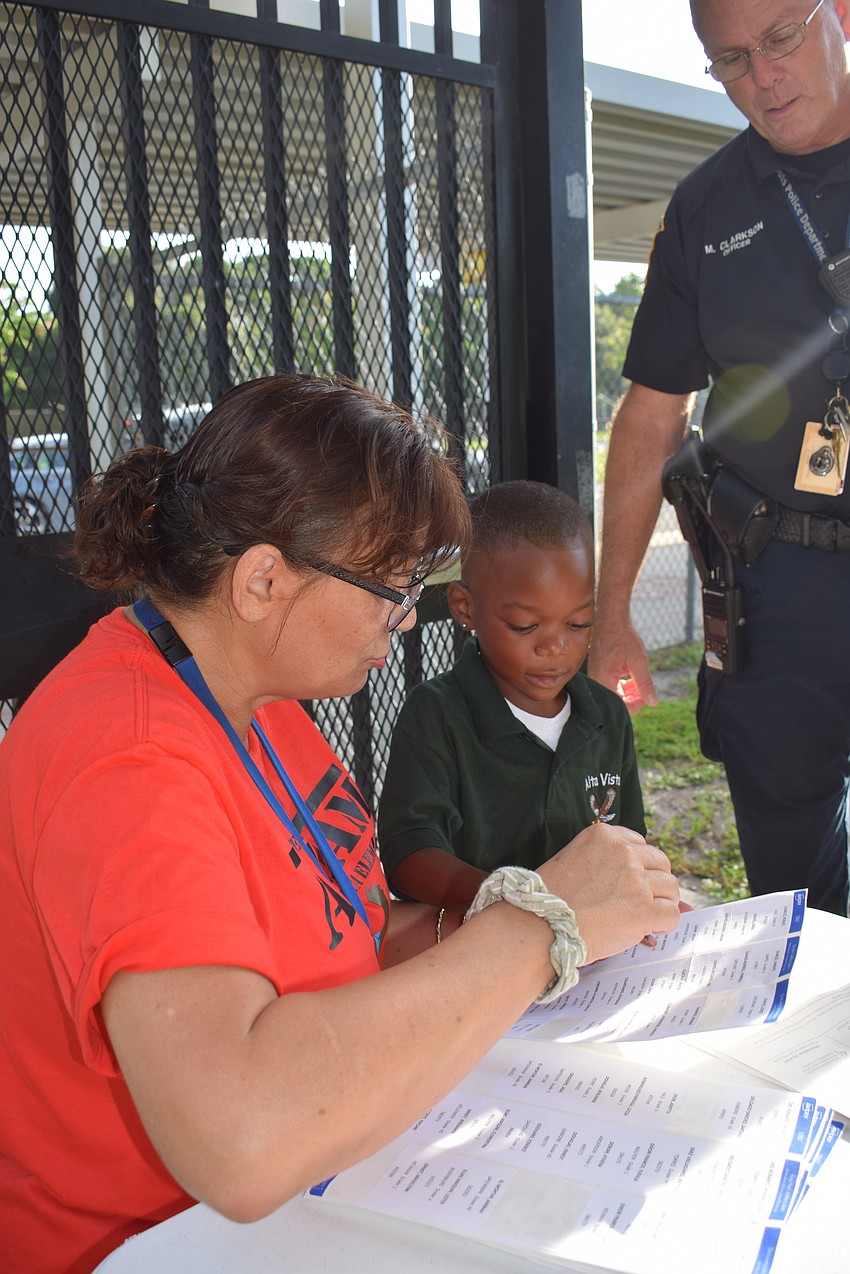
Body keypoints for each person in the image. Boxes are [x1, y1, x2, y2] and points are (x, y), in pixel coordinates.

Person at [0, 374, 682, 1274]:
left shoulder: (254, 699)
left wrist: (518, 925)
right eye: (390, 585)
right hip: (146, 1242)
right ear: (262, 580)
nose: (406, 617)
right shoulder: (129, 760)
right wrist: (541, 925)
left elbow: (343, 927)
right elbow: (241, 1141)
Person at [589, 0, 850, 917]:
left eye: (781, 39)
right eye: (730, 60)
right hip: (779, 587)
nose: (762, 78)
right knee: (794, 886)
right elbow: (652, 416)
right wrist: (611, 611)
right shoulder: (707, 205)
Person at [379, 480, 646, 914]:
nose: (555, 647)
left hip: (594, 956)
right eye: (525, 626)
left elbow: (629, 843)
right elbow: (408, 856)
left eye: (579, 623)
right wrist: (521, 907)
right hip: (484, 958)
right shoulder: (438, 714)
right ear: (465, 608)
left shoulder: (606, 716)